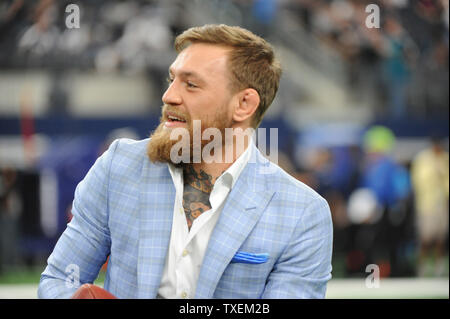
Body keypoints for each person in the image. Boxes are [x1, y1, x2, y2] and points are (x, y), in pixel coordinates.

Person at [38, 24, 333, 299]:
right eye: (172, 79)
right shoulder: (117, 167)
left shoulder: (303, 213)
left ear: (244, 104)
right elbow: (60, 279)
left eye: (191, 85)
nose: (169, 96)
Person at [411, 136, 449, 277]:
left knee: (440, 238)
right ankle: (422, 266)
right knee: (425, 238)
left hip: (441, 204)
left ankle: (439, 267)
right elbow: (419, 181)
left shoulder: (445, 158)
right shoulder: (423, 159)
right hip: (426, 205)